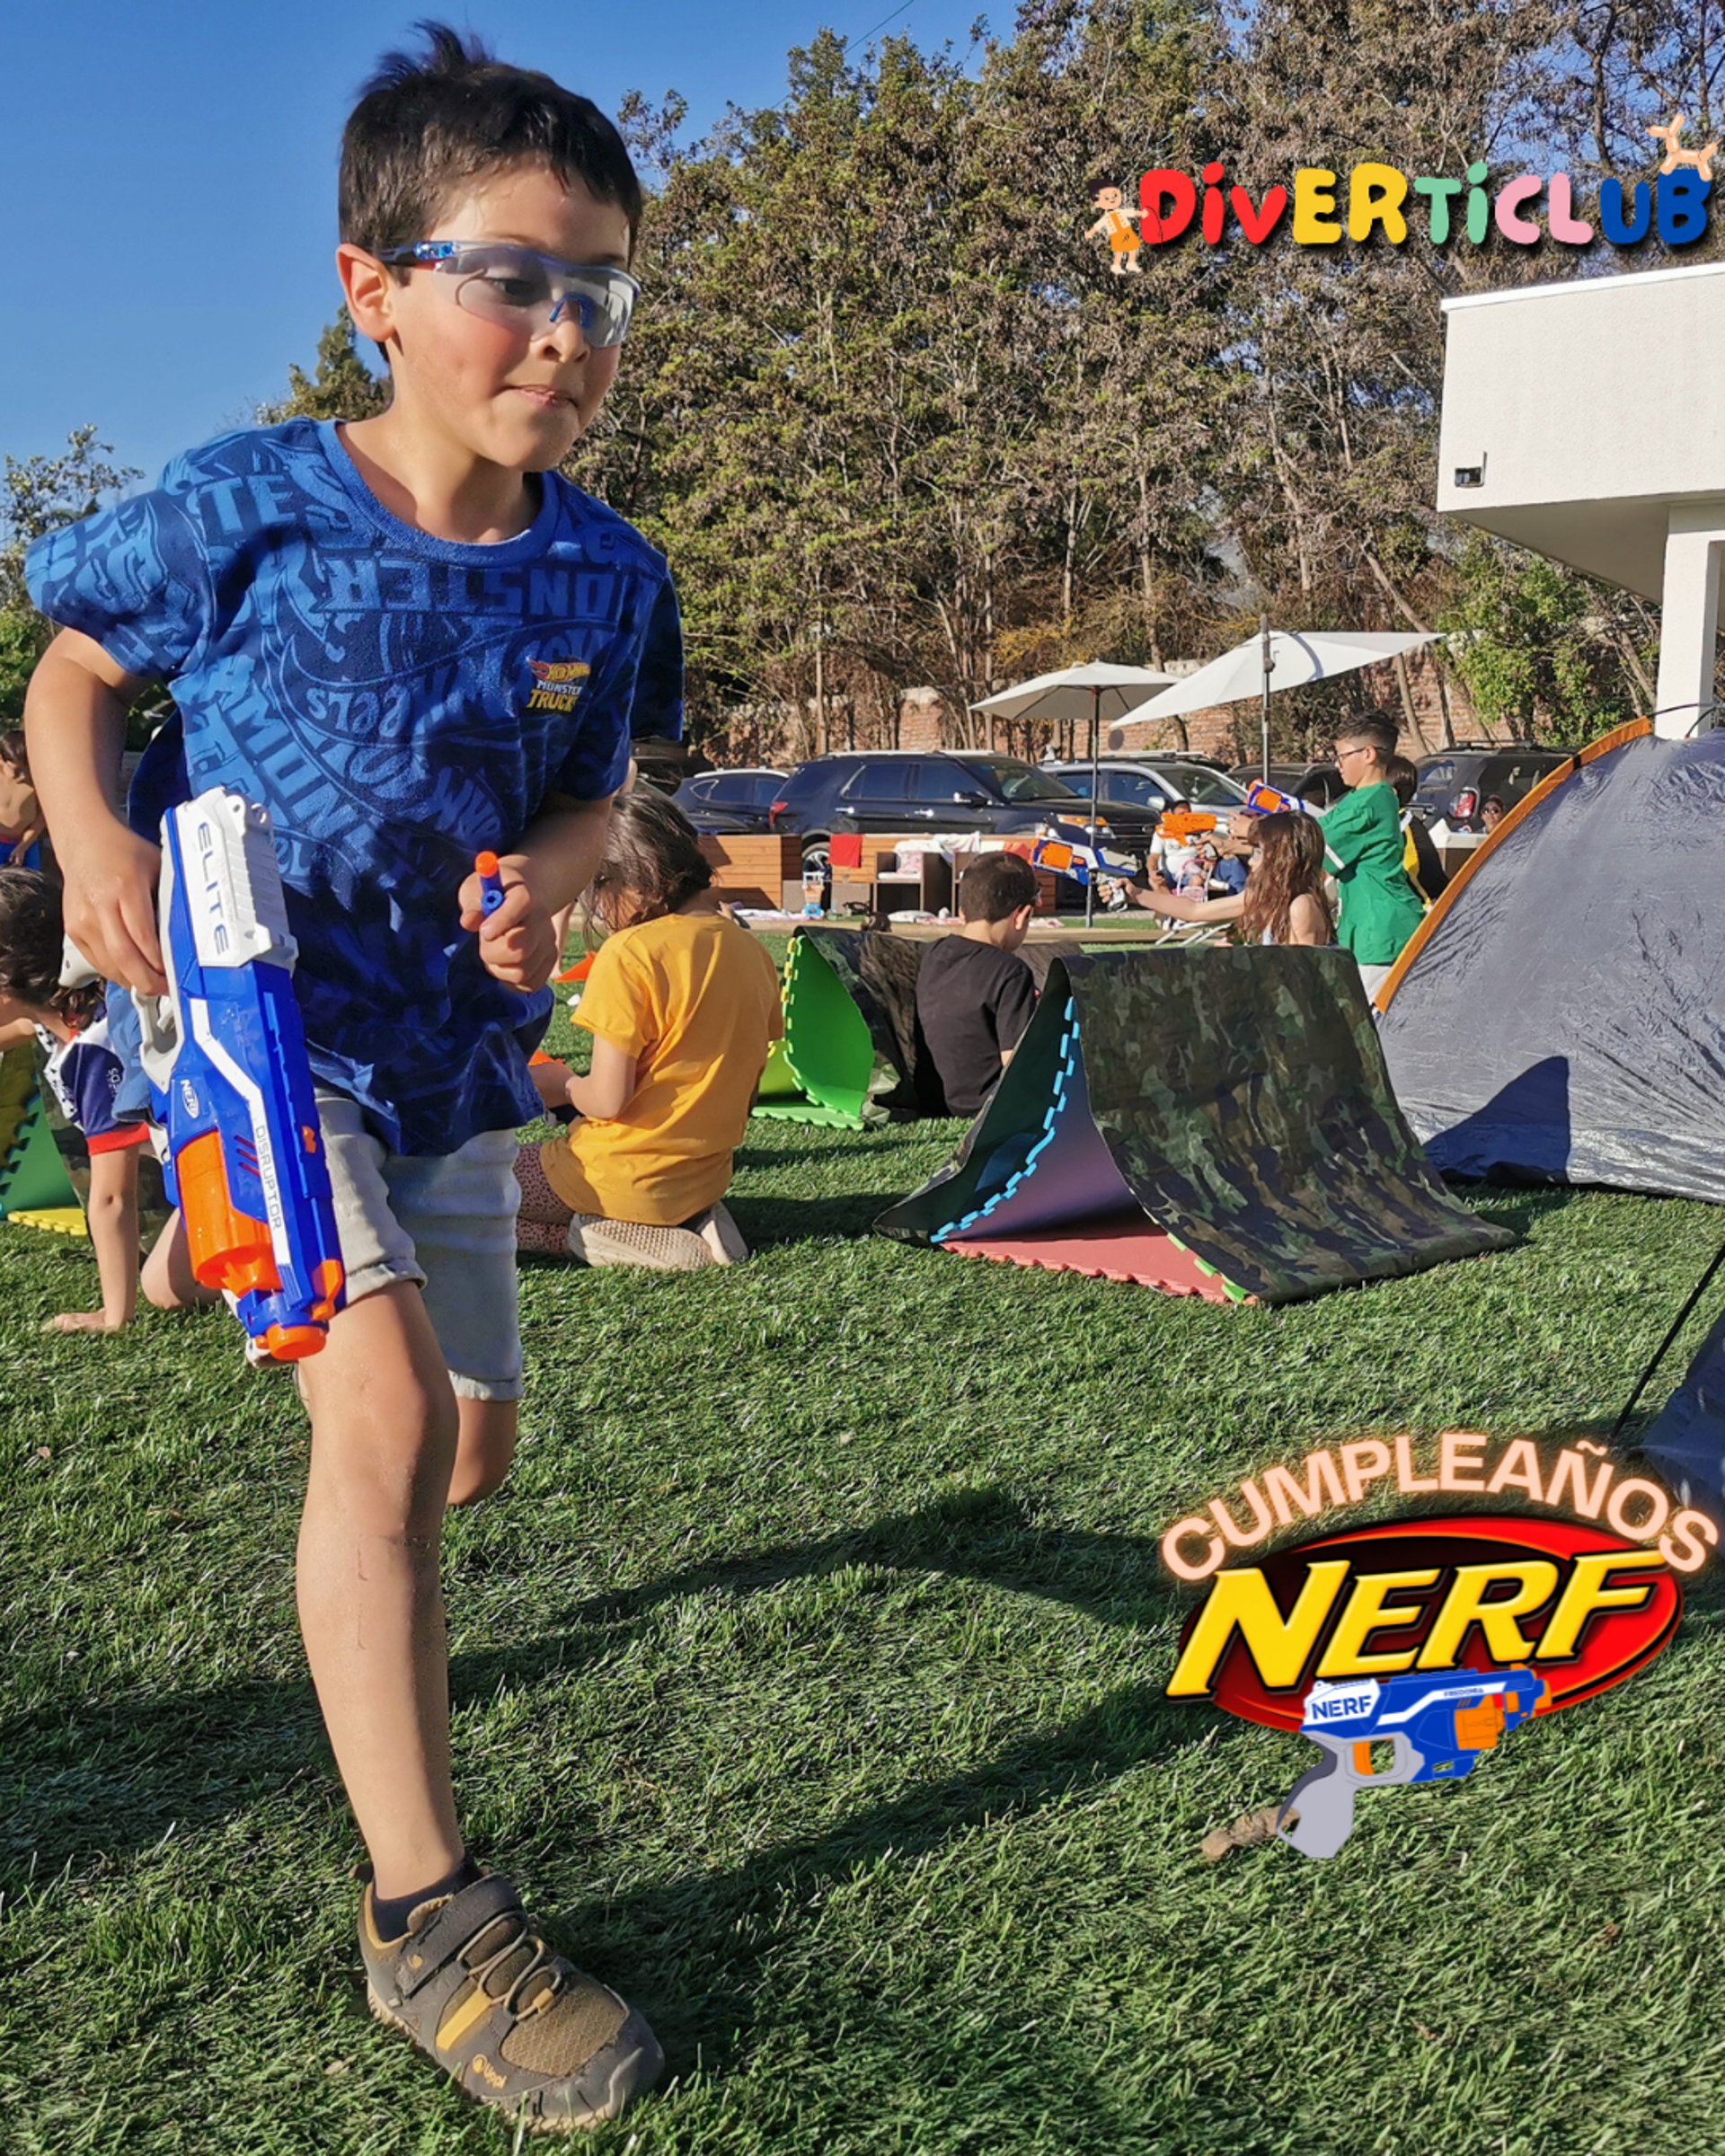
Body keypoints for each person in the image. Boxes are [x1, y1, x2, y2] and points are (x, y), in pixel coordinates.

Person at [23, 25, 670, 2131]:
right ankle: (432, 1918)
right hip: (248, 1027)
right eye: (513, 274)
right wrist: (98, 835)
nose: (560, 330)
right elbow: (74, 674)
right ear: (371, 284)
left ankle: (340, 1364)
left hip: (448, 1057)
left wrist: (545, 893)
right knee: (378, 1414)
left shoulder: (608, 573)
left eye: (599, 289)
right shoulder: (245, 500)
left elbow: (596, 804)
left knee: (456, 1456)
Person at [517, 789, 782, 1268]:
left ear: (635, 881)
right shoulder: (754, 952)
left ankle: (604, 1236)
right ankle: (684, 1221)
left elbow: (607, 1101)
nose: (596, 911)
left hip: (617, 1174)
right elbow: (748, 1090)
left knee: (470, 1195)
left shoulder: (631, 952)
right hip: (702, 1178)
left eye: (596, 890)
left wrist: (561, 1084)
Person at [0, 867, 152, 1331]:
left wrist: (113, 1314)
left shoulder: (96, 1053)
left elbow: (112, 1197)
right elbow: (23, 1027)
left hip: (222, 1179)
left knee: (164, 1287)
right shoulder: (62, 1012)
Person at [916, 852, 1039, 1116]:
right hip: (986, 1104)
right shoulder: (1012, 972)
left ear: (963, 912)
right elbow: (1016, 1065)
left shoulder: (934, 953)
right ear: (1022, 915)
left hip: (934, 1099)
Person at [1320, 712, 1426, 1002]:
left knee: (1367, 1031)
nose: (1337, 764)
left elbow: (1314, 848)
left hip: (1380, 933)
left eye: (1342, 756)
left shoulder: (1372, 801)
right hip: (1364, 931)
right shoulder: (1357, 800)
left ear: (1368, 754)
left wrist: (1257, 831)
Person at [1124, 811, 1333, 944]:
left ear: (1283, 859)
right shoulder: (1264, 897)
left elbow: (1308, 978)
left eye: (1257, 853)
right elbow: (1194, 911)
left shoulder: (1301, 906)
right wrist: (1136, 894)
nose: (1251, 862)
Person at [1386, 754, 1448, 906]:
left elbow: (1434, 881)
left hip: (1414, 916)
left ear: (1391, 793)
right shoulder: (1386, 824)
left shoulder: (1408, 829)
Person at [0, 729, 48, 867]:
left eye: (27, 770)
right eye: (17, 771)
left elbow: (42, 817)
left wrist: (23, 846)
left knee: (31, 884)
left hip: (26, 843)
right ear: (2, 759)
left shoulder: (37, 781)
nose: (23, 776)